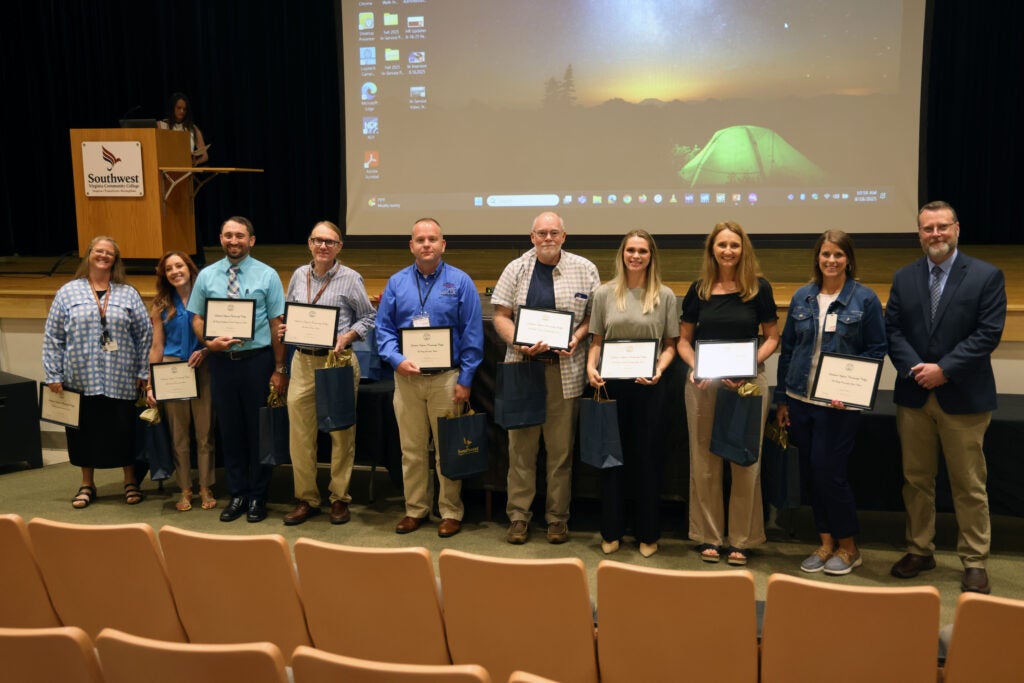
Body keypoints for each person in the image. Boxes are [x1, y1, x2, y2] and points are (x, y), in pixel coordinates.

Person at [886, 201, 1006, 594]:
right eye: (927, 228)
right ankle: (920, 549)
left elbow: (987, 334)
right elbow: (894, 331)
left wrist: (944, 369)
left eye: (941, 227)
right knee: (916, 480)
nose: (935, 234)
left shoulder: (987, 276)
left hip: (964, 397)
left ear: (957, 228)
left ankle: (974, 559)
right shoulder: (904, 278)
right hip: (914, 395)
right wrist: (918, 368)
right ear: (918, 233)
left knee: (968, 483)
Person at [774, 230, 887, 575]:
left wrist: (852, 393)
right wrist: (782, 400)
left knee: (830, 474)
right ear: (817, 259)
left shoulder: (864, 300)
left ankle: (849, 547)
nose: (831, 261)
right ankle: (825, 543)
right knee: (811, 472)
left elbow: (876, 350)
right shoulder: (802, 297)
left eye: (838, 255)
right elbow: (789, 349)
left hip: (839, 406)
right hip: (800, 400)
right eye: (825, 255)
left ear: (848, 259)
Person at [491, 212, 600, 544]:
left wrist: (577, 338)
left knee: (560, 451)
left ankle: (557, 518)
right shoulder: (516, 269)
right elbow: (500, 316)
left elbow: (594, 317)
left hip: (563, 373)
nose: (548, 238)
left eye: (554, 233)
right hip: (523, 369)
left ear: (564, 236)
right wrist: (519, 343)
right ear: (532, 237)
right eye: (542, 233)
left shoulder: (585, 269)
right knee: (521, 450)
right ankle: (519, 516)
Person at [677, 221, 779, 565]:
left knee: (745, 461)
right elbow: (684, 341)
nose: (728, 251)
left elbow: (772, 338)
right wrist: (695, 367)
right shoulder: (700, 289)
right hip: (705, 386)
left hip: (747, 386)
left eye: (734, 245)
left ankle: (741, 538)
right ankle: (708, 535)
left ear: (743, 249)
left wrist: (746, 366)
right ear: (712, 250)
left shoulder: (758, 288)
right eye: (721, 245)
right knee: (704, 462)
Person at [376, 218, 484, 538]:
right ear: (411, 245)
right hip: (407, 378)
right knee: (411, 449)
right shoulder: (396, 283)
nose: (426, 244)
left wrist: (465, 379)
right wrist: (396, 360)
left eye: (432, 239)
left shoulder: (460, 282)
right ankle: (415, 509)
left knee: (446, 449)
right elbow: (383, 330)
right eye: (420, 239)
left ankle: (450, 511)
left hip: (447, 379)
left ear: (443, 245)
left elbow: (472, 334)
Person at [187, 216, 288, 523]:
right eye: (228, 235)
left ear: (251, 240)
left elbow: (276, 325)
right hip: (221, 364)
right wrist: (208, 343)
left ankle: (258, 496)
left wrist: (280, 367)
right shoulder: (206, 276)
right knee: (229, 433)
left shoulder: (267, 276)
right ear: (221, 238)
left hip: (257, 362)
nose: (234, 241)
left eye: (240, 236)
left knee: (258, 432)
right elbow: (197, 318)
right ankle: (238, 494)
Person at [587, 230, 678, 557]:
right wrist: (590, 369)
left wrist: (659, 370)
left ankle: (648, 534)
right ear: (622, 254)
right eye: (630, 250)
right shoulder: (604, 294)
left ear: (651, 255)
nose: (636, 256)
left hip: (649, 388)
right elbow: (596, 341)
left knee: (647, 461)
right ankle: (611, 531)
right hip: (611, 387)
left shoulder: (665, 295)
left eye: (642, 251)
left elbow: (670, 346)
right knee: (611, 460)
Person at [43, 236, 153, 508]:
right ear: (89, 255)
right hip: (79, 377)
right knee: (84, 433)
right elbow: (53, 336)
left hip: (122, 376)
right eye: (98, 251)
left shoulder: (128, 292)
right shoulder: (68, 292)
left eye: (109, 253)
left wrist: (143, 371)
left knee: (123, 430)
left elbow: (144, 334)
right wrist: (53, 374)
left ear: (115, 260)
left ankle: (130, 481)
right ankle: (87, 484)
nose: (103, 256)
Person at [280, 221, 376, 526]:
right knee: (300, 435)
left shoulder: (350, 278)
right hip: (303, 362)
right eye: (318, 240)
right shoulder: (297, 275)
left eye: (330, 242)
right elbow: (291, 312)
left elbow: (369, 317)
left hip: (337, 363)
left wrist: (347, 337)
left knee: (341, 434)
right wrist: (286, 327)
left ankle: (339, 498)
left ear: (339, 247)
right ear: (309, 243)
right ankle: (306, 498)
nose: (323, 246)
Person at [145, 250, 216, 511]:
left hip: (202, 366)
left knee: (205, 432)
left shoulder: (207, 298)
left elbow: (216, 335)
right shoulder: (161, 304)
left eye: (179, 266)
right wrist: (151, 382)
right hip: (172, 370)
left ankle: (206, 486)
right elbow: (157, 345)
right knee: (179, 435)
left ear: (189, 268)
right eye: (169, 269)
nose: (175, 272)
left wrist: (207, 350)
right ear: (164, 275)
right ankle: (185, 489)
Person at [157, 92, 208, 165]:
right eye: (179, 108)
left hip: (186, 168)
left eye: (184, 109)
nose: (182, 111)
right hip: (167, 167)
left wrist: (195, 162)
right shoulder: (161, 125)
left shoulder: (192, 127)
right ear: (172, 108)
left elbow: (205, 156)